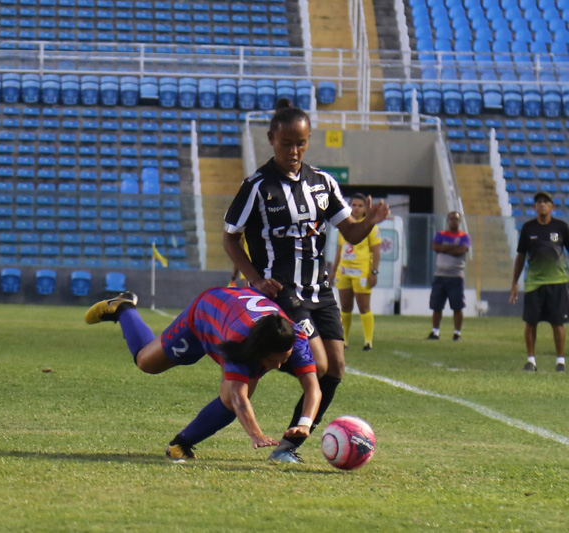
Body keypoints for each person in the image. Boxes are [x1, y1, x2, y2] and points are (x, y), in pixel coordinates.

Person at [223, 98, 389, 463]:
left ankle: (289, 445)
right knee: (320, 364)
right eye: (286, 143)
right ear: (271, 139)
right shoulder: (257, 187)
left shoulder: (322, 183)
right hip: (283, 290)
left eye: (301, 143)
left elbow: (353, 232)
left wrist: (371, 220)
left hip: (320, 290)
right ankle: (258, 363)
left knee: (336, 369)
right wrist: (254, 279)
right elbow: (230, 238)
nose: (294, 150)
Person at [84, 288, 322, 461]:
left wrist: (304, 423)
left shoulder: (295, 340)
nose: (279, 366)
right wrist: (256, 434)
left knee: (230, 397)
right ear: (257, 351)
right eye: (272, 361)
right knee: (147, 363)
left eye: (285, 359)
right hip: (205, 314)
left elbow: (313, 387)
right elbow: (239, 397)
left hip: (231, 314)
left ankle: (181, 444)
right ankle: (123, 306)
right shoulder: (239, 341)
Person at [509, 192, 569, 372]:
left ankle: (560, 361)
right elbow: (520, 257)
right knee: (531, 322)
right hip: (534, 283)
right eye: (538, 202)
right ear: (535, 207)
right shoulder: (528, 229)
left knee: (557, 322)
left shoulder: (561, 227)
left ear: (552, 207)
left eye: (545, 202)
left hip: (557, 281)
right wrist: (514, 283)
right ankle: (531, 361)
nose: (541, 204)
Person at [332, 193, 382, 351]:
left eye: (360, 205)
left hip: (361, 271)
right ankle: (344, 341)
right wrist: (333, 271)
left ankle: (368, 341)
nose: (356, 208)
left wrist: (374, 271)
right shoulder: (345, 226)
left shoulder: (370, 226)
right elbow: (339, 251)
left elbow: (375, 251)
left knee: (363, 307)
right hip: (344, 270)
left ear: (366, 209)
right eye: (353, 205)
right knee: (345, 306)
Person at [426, 211, 471, 341]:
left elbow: (461, 251)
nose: (453, 221)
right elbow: (435, 247)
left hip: (456, 276)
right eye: (451, 219)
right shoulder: (440, 234)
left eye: (456, 219)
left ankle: (457, 333)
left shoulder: (464, 236)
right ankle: (435, 332)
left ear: (460, 221)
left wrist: (444, 248)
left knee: (457, 306)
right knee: (436, 306)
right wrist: (453, 248)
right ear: (447, 220)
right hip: (440, 275)